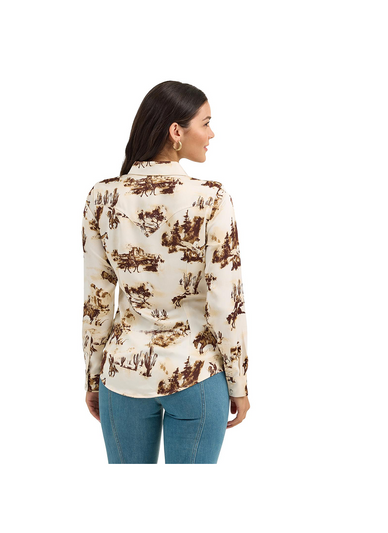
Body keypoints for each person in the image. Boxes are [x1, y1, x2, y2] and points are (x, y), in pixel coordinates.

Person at [82, 80, 250, 464]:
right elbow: (227, 303)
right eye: (206, 123)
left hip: (122, 375)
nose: (211, 134)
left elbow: (97, 300)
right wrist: (238, 382)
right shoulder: (212, 198)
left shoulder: (102, 196)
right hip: (197, 375)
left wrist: (93, 378)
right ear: (177, 131)